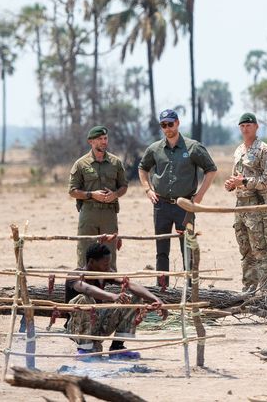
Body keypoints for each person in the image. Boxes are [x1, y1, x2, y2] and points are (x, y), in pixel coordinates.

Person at [138, 109, 217, 284]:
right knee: (162, 249)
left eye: (170, 124)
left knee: (187, 247)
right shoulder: (154, 149)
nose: (167, 128)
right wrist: (148, 190)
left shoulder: (193, 147)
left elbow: (211, 170)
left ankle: (189, 290)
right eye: (163, 125)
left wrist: (199, 197)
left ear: (178, 123)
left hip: (185, 206)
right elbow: (142, 168)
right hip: (161, 205)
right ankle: (162, 289)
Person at [65, 243, 168, 359]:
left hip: (99, 322)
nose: (108, 267)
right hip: (77, 327)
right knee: (84, 299)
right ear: (92, 262)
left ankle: (117, 347)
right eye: (105, 264)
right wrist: (112, 296)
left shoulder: (105, 273)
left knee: (134, 297)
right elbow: (87, 288)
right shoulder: (74, 276)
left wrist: (156, 299)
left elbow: (129, 283)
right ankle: (85, 348)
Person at [224, 112, 267, 292]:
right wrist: (231, 184)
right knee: (245, 250)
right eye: (242, 126)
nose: (245, 129)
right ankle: (249, 290)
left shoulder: (264, 149)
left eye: (249, 125)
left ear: (256, 127)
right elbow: (237, 176)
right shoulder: (239, 150)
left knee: (261, 249)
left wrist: (246, 182)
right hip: (240, 205)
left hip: (257, 204)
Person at [68, 126, 128, 270]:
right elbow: (72, 191)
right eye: (99, 139)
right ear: (91, 142)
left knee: (109, 252)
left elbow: (124, 186)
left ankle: (110, 286)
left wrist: (115, 194)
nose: (103, 142)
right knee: (85, 251)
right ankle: (83, 286)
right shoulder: (81, 164)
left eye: (105, 138)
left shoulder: (116, 162)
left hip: (109, 214)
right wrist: (91, 194)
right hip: (89, 213)